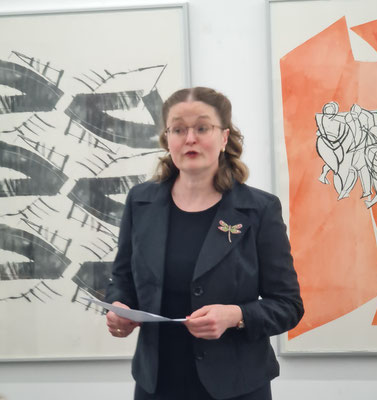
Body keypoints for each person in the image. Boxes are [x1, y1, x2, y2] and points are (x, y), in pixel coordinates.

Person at [105, 87, 304, 400]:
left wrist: (235, 315)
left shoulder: (259, 209)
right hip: (156, 384)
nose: (190, 138)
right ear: (167, 138)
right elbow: (122, 279)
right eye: (178, 129)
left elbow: (288, 306)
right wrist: (119, 307)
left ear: (224, 137)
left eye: (202, 128)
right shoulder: (140, 202)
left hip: (236, 386)